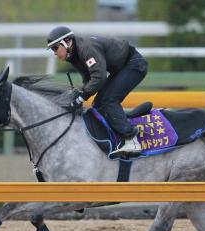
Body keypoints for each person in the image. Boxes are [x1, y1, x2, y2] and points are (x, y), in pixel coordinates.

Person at [46, 26, 148, 157]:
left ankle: (132, 141)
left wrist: (81, 98)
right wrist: (79, 94)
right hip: (121, 68)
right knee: (98, 104)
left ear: (67, 42)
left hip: (134, 64)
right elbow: (88, 79)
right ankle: (117, 137)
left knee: (108, 100)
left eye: (55, 48)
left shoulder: (86, 49)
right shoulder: (73, 55)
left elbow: (99, 77)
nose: (54, 53)